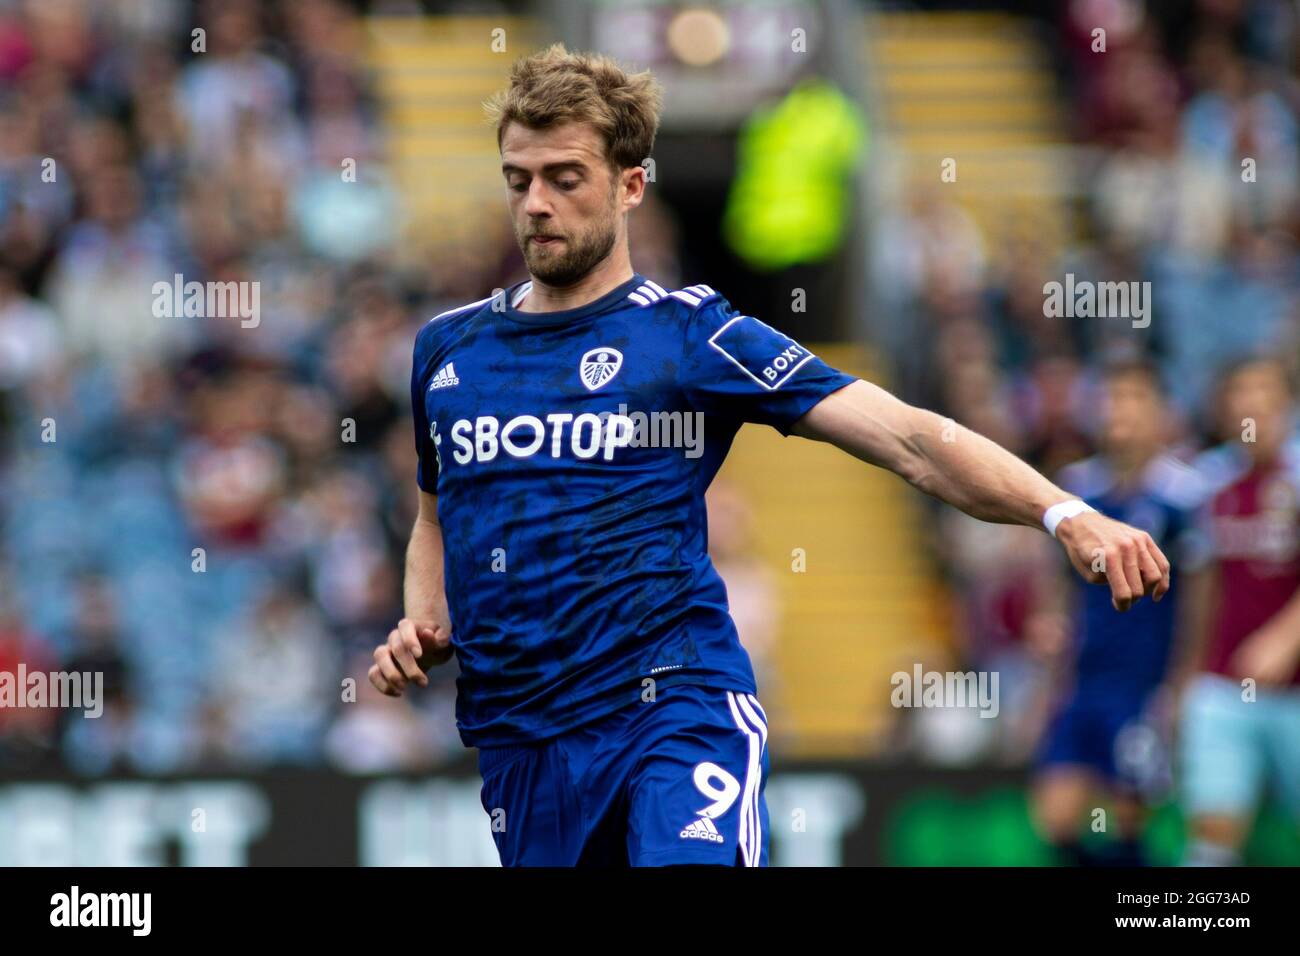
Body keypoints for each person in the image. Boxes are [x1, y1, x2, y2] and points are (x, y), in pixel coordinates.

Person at [368, 44, 1170, 867]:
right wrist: (424, 619)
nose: (536, 204)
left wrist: (1063, 511)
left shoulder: (691, 336)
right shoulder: (448, 350)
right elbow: (436, 519)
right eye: (518, 179)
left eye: (565, 178)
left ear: (631, 184)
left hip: (673, 710)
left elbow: (906, 439)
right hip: (522, 739)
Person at [1031, 359, 1206, 865]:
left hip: (1143, 683)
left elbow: (1200, 596)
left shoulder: (1183, 494)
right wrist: (1050, 639)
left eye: (1134, 398)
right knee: (1057, 817)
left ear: (1160, 413)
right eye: (1111, 398)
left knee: (1129, 819)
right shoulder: (1077, 489)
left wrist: (1182, 681)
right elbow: (1057, 582)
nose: (1120, 410)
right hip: (1084, 679)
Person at [1180, 355, 1300, 865]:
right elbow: (1202, 589)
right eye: (1239, 393)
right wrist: (1186, 675)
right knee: (1213, 835)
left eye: (1263, 391)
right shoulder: (1208, 485)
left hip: (1294, 692)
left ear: (1286, 403)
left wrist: (1287, 637)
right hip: (1225, 687)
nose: (1251, 404)